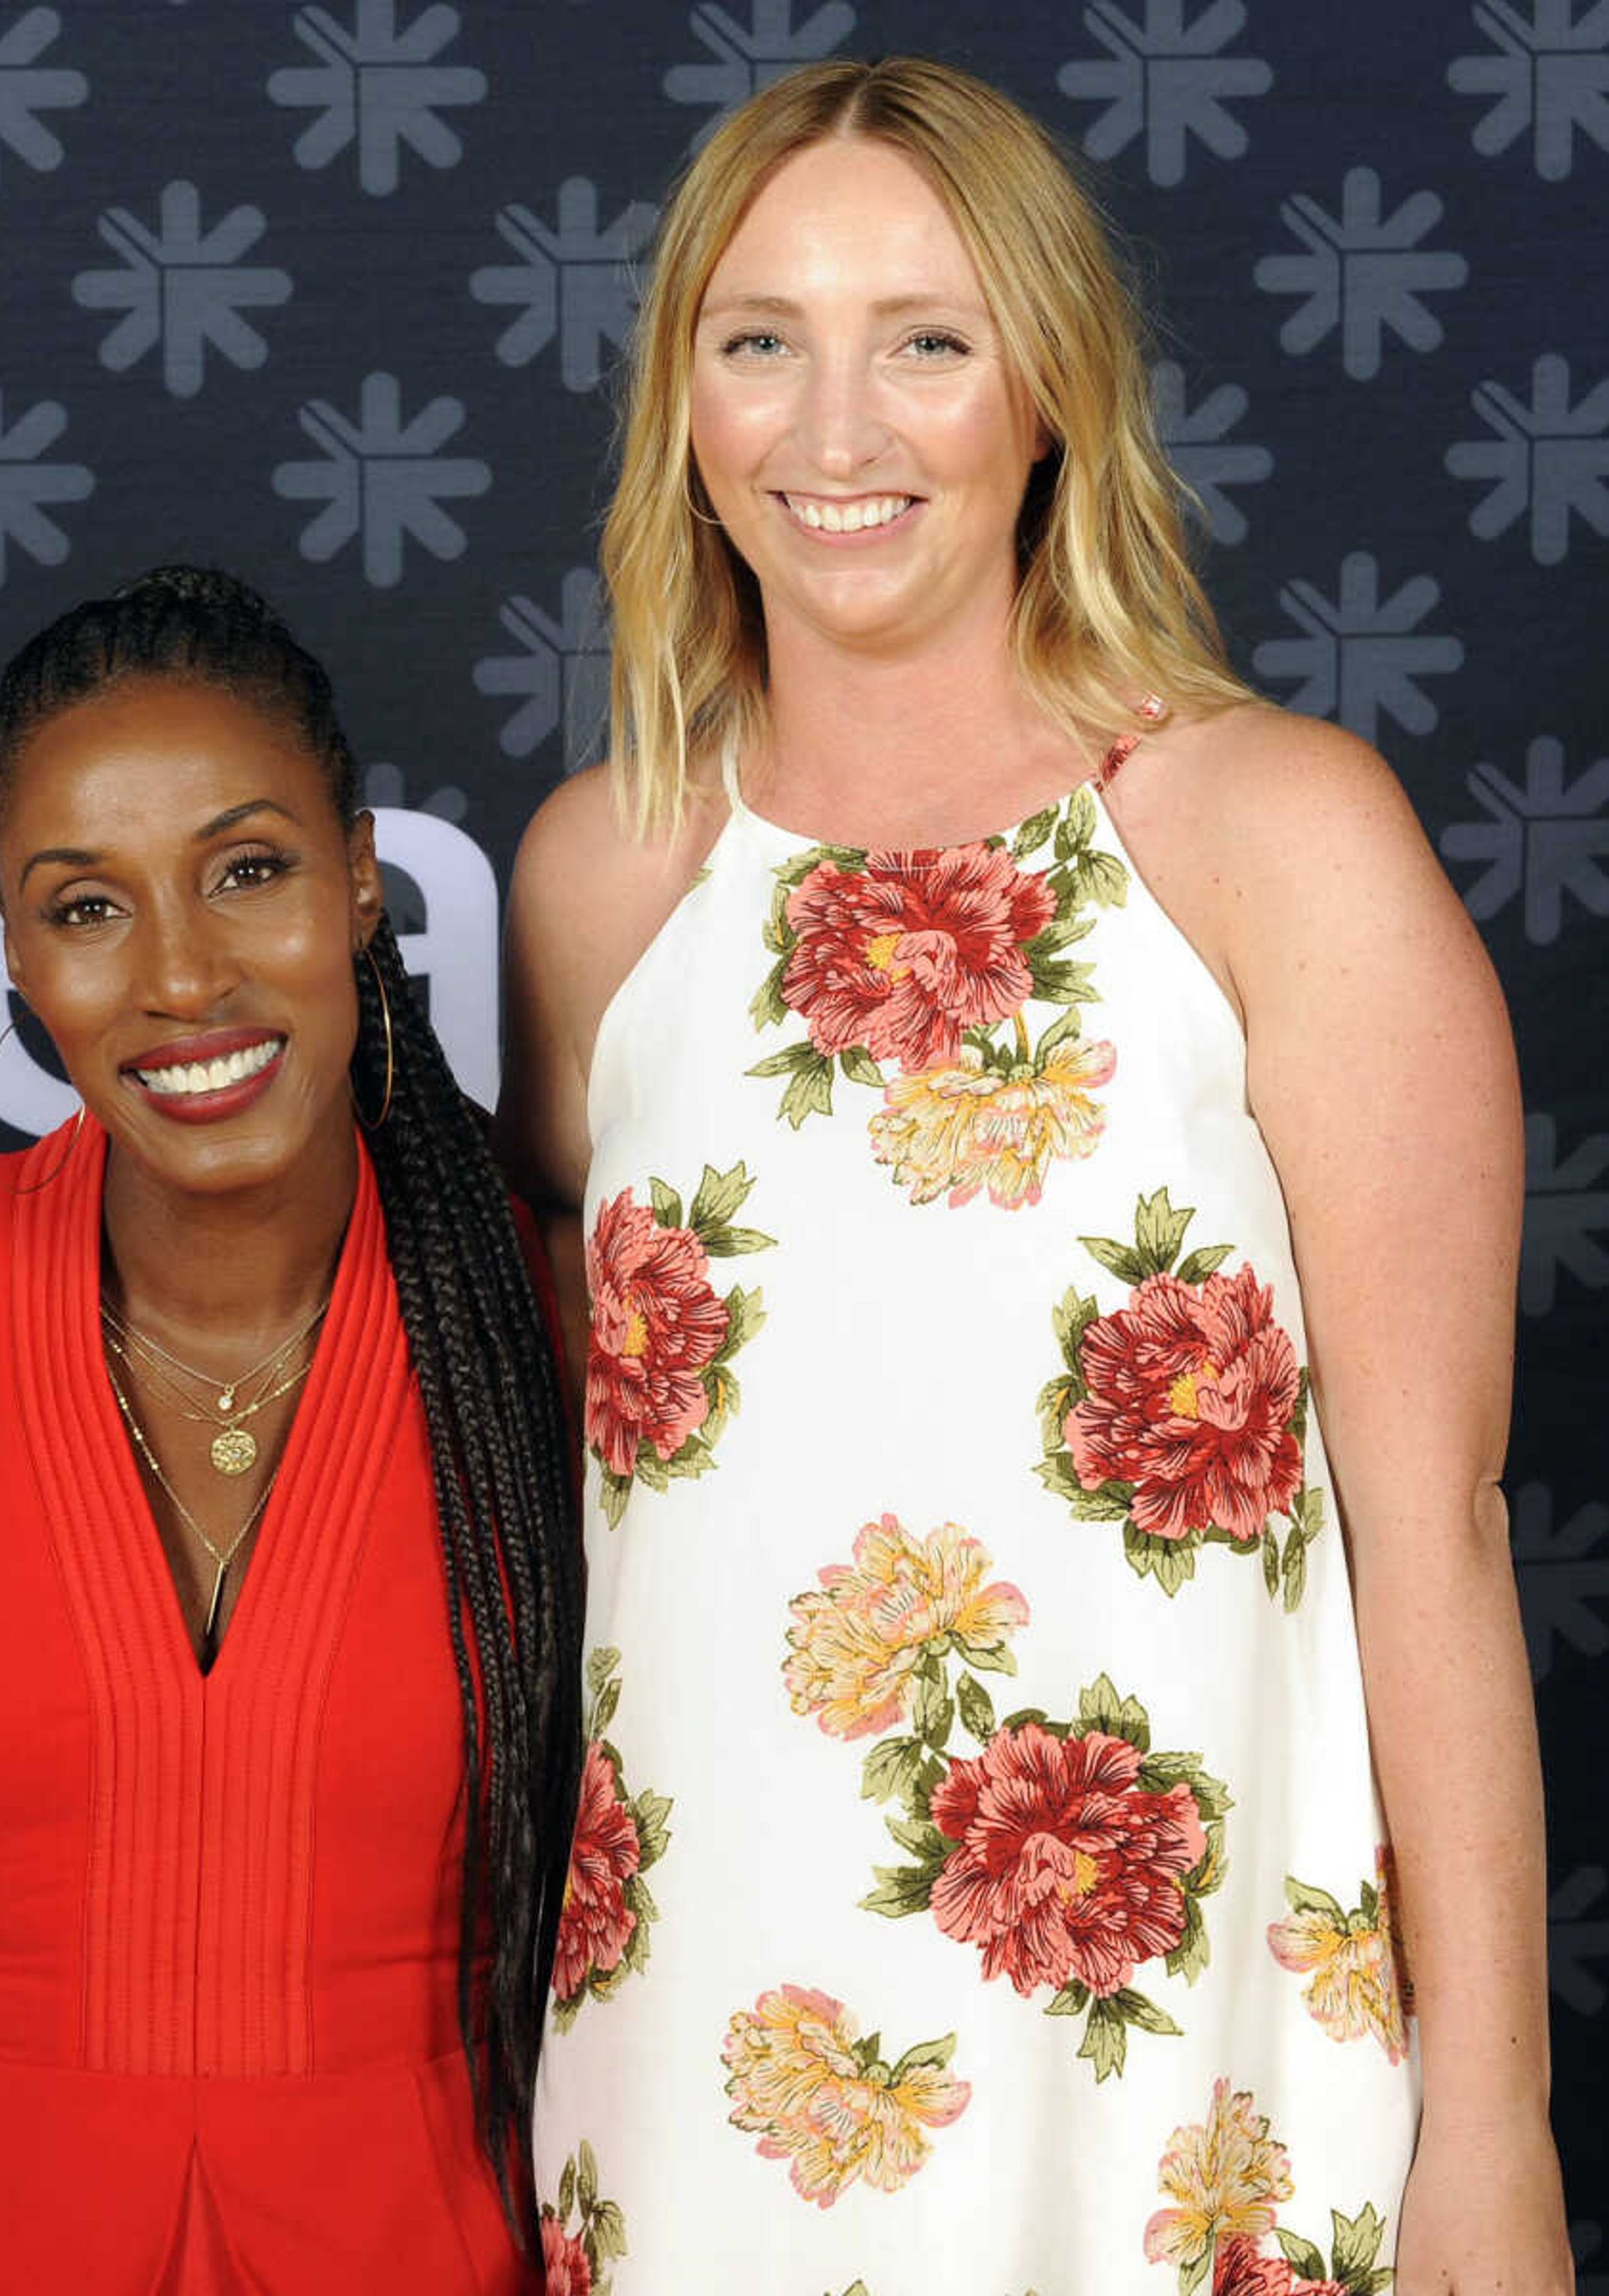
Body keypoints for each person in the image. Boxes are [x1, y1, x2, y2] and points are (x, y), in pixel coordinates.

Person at [502, 57, 1569, 2295]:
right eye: (759, 337)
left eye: (927, 338)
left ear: (1052, 385)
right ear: (680, 397)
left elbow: (1435, 1533)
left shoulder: (1276, 841)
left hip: (1194, 2100)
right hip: (707, 2107)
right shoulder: (603, 881)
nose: (836, 428)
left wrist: (1492, 2124)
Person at [0, 567, 582, 2291]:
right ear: (9, 949)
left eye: (249, 871)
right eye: (87, 908)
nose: (184, 976)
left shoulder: (561, 1325)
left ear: (359, 878)